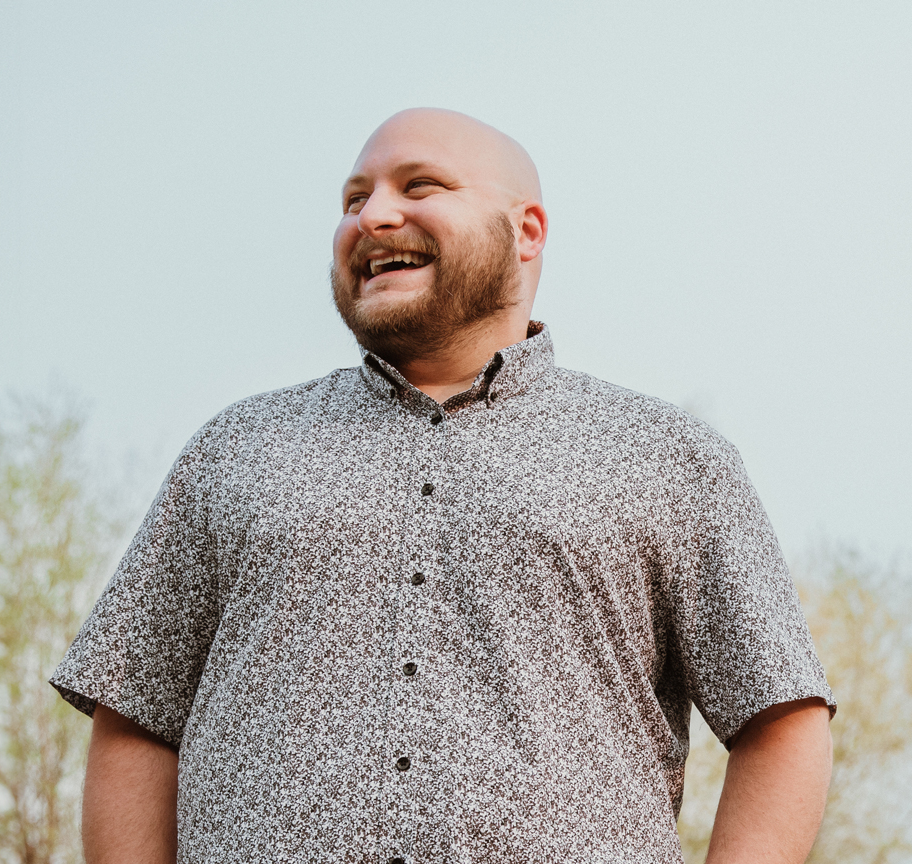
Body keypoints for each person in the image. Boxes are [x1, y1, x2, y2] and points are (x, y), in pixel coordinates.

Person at [52, 108, 835, 864]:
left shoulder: (668, 457)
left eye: (419, 186)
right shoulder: (234, 450)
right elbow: (137, 716)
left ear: (526, 232)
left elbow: (780, 717)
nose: (372, 217)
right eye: (354, 199)